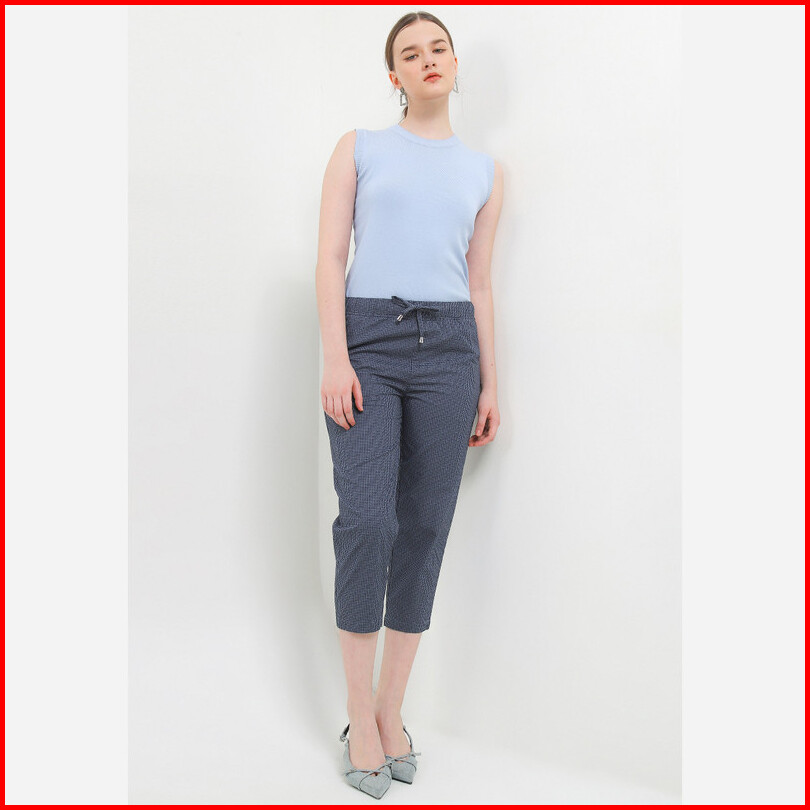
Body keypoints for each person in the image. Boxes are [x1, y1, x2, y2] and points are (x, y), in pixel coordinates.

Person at [315, 11, 503, 799]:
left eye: (439, 48)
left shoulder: (485, 171)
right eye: (411, 53)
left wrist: (491, 381)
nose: (428, 60)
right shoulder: (359, 147)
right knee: (368, 521)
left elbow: (479, 282)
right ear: (394, 76)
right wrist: (335, 356)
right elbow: (331, 255)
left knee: (426, 527)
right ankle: (358, 711)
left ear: (455, 65)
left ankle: (391, 710)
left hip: (451, 349)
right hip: (369, 339)